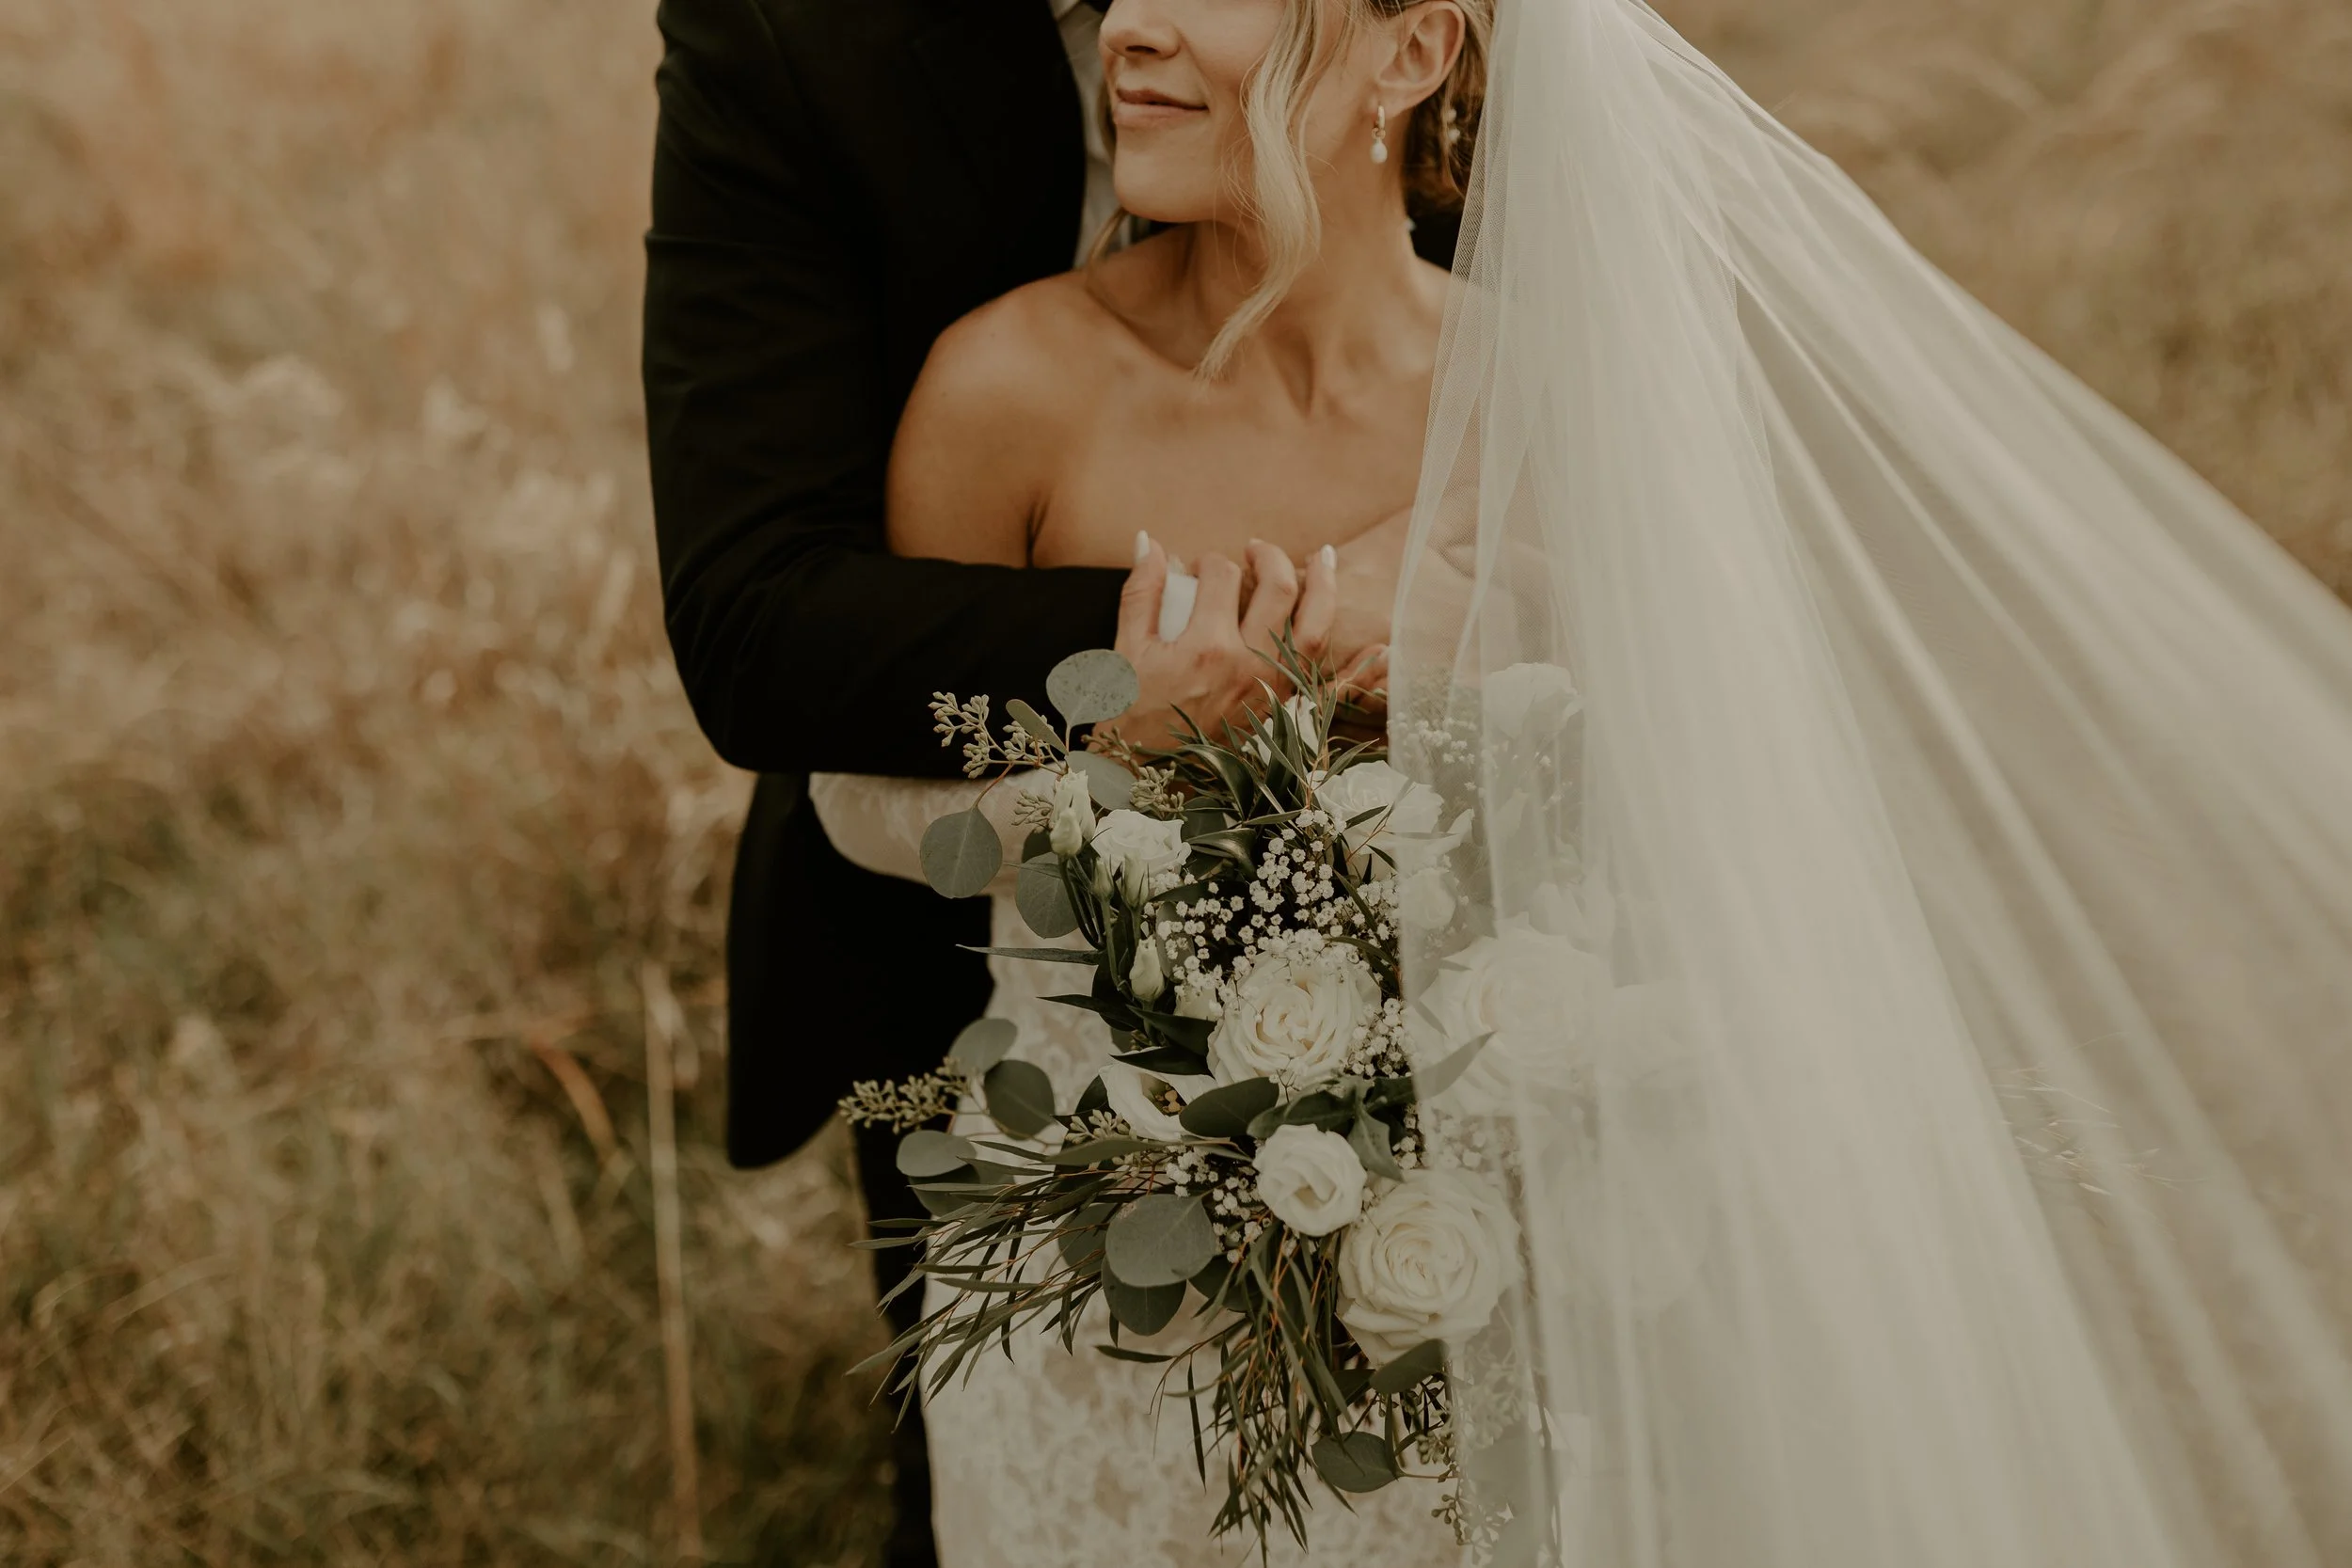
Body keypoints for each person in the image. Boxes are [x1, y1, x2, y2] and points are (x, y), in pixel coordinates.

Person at [814, 0, 2352, 1564]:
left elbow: (1715, 818)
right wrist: (1182, 704)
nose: (1127, 23)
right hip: (1098, 1272)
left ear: (1412, 53)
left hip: (1485, 1276)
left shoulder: (1563, 399)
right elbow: (860, 810)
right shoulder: (1010, 383)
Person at [640, 1, 1443, 1562]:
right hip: (1012, 1061)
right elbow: (758, 626)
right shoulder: (815, 64)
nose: (1133, 21)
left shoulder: (1515, 363)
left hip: (1458, 1136)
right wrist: (1219, 656)